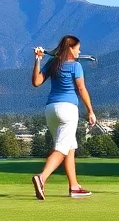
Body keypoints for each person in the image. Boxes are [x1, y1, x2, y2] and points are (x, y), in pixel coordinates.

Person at [30, 34, 96, 200]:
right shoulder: (76, 66)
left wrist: (38, 60)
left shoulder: (53, 64)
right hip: (68, 110)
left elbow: (36, 82)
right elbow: (82, 89)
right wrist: (90, 110)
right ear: (71, 49)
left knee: (69, 147)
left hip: (51, 110)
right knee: (61, 148)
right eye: (77, 48)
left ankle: (74, 186)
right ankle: (42, 177)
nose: (79, 51)